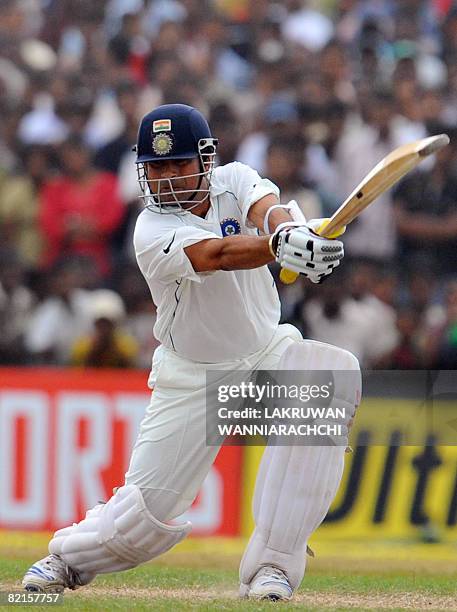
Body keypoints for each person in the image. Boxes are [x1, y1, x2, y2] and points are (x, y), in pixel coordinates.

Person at [22, 104, 361, 601]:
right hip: (194, 378)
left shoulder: (234, 178)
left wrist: (290, 232)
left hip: (264, 353)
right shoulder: (150, 231)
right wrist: (277, 247)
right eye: (156, 167)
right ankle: (66, 557)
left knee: (332, 373)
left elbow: (268, 207)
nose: (166, 178)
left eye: (178, 164)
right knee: (140, 525)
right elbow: (217, 254)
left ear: (206, 160)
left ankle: (274, 567)